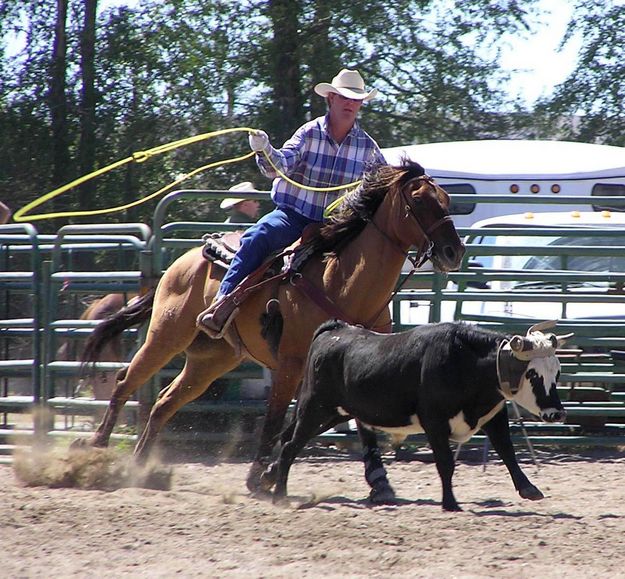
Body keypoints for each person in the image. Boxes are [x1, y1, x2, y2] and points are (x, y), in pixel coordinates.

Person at [198, 68, 386, 337]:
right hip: (294, 216)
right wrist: (264, 150)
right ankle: (224, 301)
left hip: (336, 226)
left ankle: (372, 325)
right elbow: (280, 165)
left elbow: (382, 184)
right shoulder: (309, 133)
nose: (350, 104)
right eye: (345, 97)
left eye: (356, 99)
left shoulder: (368, 147)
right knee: (258, 236)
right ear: (331, 99)